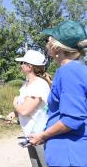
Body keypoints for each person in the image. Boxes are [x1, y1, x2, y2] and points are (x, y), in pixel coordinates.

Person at [29, 20, 87, 167]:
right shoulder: (77, 70)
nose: (47, 41)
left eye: (50, 38)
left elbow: (72, 120)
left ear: (55, 47)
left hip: (69, 154)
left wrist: (42, 136)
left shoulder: (69, 71)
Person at [6, 50, 51, 167]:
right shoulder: (27, 84)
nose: (21, 66)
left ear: (30, 66)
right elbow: (25, 108)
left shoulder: (39, 84)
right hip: (31, 134)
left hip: (41, 134)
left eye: (23, 63)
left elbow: (25, 110)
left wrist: (14, 102)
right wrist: (14, 114)